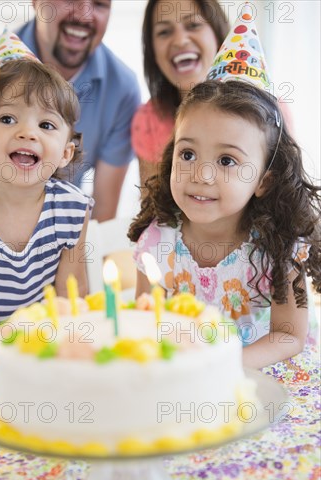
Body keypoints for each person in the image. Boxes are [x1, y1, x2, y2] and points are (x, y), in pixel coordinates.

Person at [129, 79, 320, 369]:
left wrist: (223, 367)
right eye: (188, 154)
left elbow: (289, 336)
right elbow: (146, 321)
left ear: (263, 181)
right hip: (189, 377)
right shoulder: (158, 241)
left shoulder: (280, 247)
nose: (201, 175)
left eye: (227, 160)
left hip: (266, 375)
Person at [0, 49, 93, 357]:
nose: (28, 133)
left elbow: (70, 288)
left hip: (39, 345)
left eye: (46, 125)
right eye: (7, 118)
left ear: (65, 153)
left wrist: (68, 340)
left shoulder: (72, 208)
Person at [0, 0, 141, 221]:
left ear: (67, 153)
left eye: (100, 4)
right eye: (7, 118)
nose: (84, 14)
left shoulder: (122, 88)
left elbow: (102, 215)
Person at [131, 0, 229, 186]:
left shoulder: (269, 111)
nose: (180, 41)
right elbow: (151, 209)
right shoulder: (149, 120)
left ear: (218, 35)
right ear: (152, 50)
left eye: (193, 25)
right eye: (164, 32)